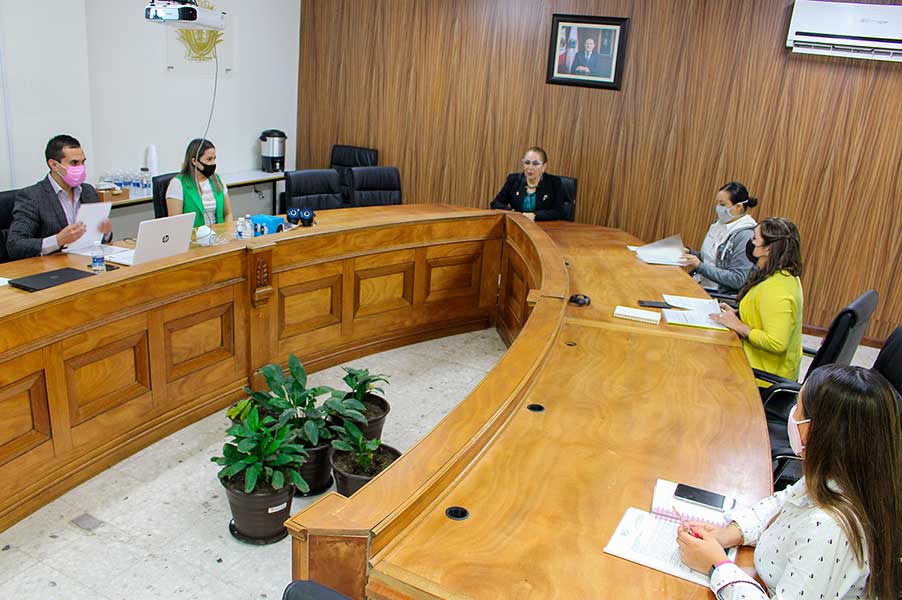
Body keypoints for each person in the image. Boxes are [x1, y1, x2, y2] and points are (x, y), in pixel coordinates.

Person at [676, 365, 901, 600]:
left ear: (812, 430)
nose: (792, 415)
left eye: (799, 409)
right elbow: (781, 502)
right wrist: (733, 533)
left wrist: (716, 566)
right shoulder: (842, 477)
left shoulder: (829, 527)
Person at [710, 217, 803, 384]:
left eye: (754, 239)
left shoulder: (776, 289)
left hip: (762, 378)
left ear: (768, 249)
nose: (750, 242)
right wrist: (739, 315)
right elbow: (765, 313)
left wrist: (740, 327)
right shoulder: (783, 275)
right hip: (753, 361)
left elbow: (777, 342)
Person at [6, 134, 112, 261]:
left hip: (85, 261)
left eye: (83, 162)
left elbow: (97, 239)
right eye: (74, 163)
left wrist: (104, 232)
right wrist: (58, 240)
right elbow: (15, 245)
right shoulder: (32, 196)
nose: (81, 168)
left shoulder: (88, 191)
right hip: (51, 266)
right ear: (54, 165)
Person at [681, 182, 758, 294]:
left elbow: (738, 279)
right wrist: (690, 253)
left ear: (738, 207)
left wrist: (699, 265)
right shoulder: (718, 224)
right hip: (700, 283)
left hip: (719, 293)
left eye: (722, 204)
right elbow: (712, 259)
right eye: (717, 203)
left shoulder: (745, 235)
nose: (718, 208)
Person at [166, 138, 233, 226]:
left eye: (214, 158)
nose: (213, 163)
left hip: (219, 233)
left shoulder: (217, 180)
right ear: (194, 161)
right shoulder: (177, 184)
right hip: (193, 234)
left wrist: (228, 231)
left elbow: (227, 214)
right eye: (209, 159)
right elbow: (175, 223)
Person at [490, 147, 566, 221]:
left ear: (544, 166)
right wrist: (513, 212)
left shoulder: (554, 182)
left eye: (535, 164)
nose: (530, 167)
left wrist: (535, 215)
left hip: (543, 227)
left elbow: (559, 212)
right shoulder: (514, 180)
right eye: (527, 163)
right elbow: (495, 203)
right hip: (518, 224)